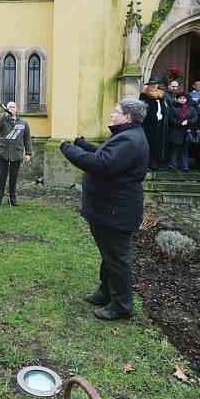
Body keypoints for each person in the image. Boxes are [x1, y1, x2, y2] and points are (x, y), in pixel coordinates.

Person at [59, 98, 149, 321]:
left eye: (115, 111)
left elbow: (101, 164)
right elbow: (106, 156)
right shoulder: (127, 135)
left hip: (115, 210)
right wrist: (84, 145)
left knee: (117, 258)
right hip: (111, 208)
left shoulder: (129, 138)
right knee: (109, 255)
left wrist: (68, 149)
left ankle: (121, 306)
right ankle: (106, 292)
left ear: (127, 117)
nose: (111, 114)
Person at [0, 101, 33, 207]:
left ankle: (12, 198)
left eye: (13, 107)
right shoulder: (3, 120)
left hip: (16, 154)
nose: (11, 109)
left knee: (13, 178)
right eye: (9, 107)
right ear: (7, 109)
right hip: (3, 153)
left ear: (16, 109)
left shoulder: (23, 123)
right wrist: (5, 115)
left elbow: (27, 139)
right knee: (1, 178)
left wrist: (28, 153)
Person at [139, 77, 169, 170]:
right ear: (148, 85)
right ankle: (147, 164)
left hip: (160, 123)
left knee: (158, 144)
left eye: (155, 84)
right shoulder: (144, 95)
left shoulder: (161, 95)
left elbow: (165, 108)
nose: (153, 86)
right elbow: (142, 110)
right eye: (151, 84)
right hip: (149, 124)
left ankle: (156, 163)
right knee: (148, 144)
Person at [167, 92, 197, 171]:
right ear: (177, 99)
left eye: (184, 98)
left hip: (187, 132)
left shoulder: (191, 108)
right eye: (180, 98)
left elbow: (195, 118)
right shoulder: (173, 108)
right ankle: (172, 166)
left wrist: (188, 121)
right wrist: (180, 123)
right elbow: (171, 119)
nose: (182, 100)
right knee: (174, 150)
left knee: (185, 150)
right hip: (175, 132)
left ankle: (185, 166)